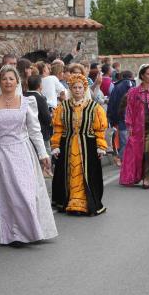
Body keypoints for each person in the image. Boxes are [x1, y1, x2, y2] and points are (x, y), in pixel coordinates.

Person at [0, 66, 57, 245]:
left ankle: (32, 230)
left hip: (22, 152)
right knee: (5, 196)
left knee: (26, 194)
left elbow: (34, 131)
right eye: (4, 79)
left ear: (17, 82)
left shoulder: (27, 102)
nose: (8, 82)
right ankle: (13, 234)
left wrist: (43, 153)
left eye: (11, 79)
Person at [50, 73, 108, 215]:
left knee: (85, 174)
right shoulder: (62, 107)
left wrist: (101, 146)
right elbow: (58, 128)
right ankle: (70, 202)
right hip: (67, 144)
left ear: (84, 89)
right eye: (74, 87)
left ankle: (83, 203)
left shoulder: (94, 107)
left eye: (80, 87)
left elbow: (99, 129)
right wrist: (56, 145)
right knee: (68, 173)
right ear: (70, 89)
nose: (77, 90)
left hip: (88, 145)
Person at [107, 70, 134, 163]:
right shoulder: (132, 85)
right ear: (131, 76)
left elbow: (112, 103)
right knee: (129, 139)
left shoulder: (116, 87)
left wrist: (112, 118)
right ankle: (121, 157)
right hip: (131, 116)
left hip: (120, 116)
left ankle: (124, 158)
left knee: (124, 138)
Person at [24, 74, 53, 153]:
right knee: (45, 154)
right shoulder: (40, 98)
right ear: (40, 85)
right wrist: (52, 116)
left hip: (27, 134)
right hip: (42, 133)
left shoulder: (23, 96)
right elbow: (47, 118)